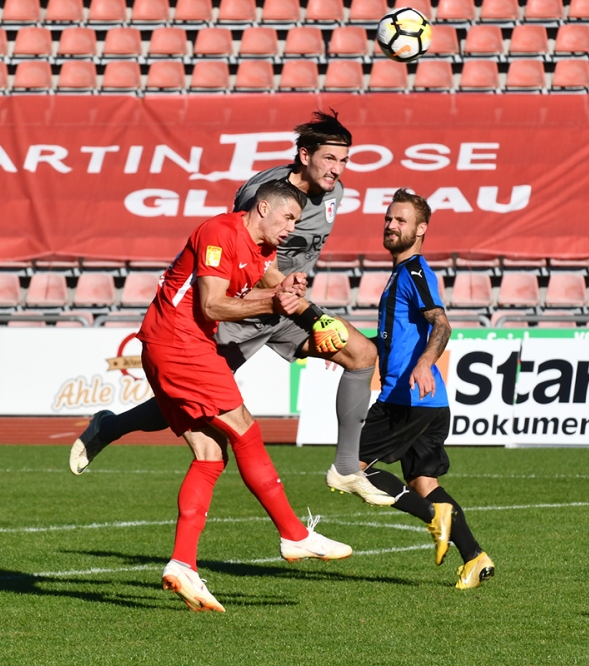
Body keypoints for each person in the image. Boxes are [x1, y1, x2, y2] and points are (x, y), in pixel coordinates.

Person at [71, 110, 387, 505]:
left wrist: (303, 307)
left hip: (287, 308)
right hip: (243, 311)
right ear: (305, 155)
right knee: (188, 403)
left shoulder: (334, 195)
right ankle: (110, 427)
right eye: (330, 159)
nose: (338, 169)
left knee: (361, 354)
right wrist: (294, 303)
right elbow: (243, 255)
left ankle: (346, 468)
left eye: (344, 161)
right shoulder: (262, 194)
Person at [138, 179, 352, 613]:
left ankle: (183, 564)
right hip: (178, 343)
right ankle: (293, 533)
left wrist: (299, 305)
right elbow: (212, 306)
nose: (293, 227)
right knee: (246, 430)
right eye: (289, 217)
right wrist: (276, 301)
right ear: (263, 207)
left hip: (177, 344)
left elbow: (266, 290)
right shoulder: (220, 232)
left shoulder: (263, 252)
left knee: (209, 456)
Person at [356, 188, 495, 590]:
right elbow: (396, 334)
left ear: (421, 229)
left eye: (400, 220)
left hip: (406, 398)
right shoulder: (399, 274)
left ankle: (433, 518)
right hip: (429, 404)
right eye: (388, 218)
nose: (391, 225)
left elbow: (442, 323)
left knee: (349, 469)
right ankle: (475, 557)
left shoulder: (414, 270)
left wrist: (422, 363)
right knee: (424, 484)